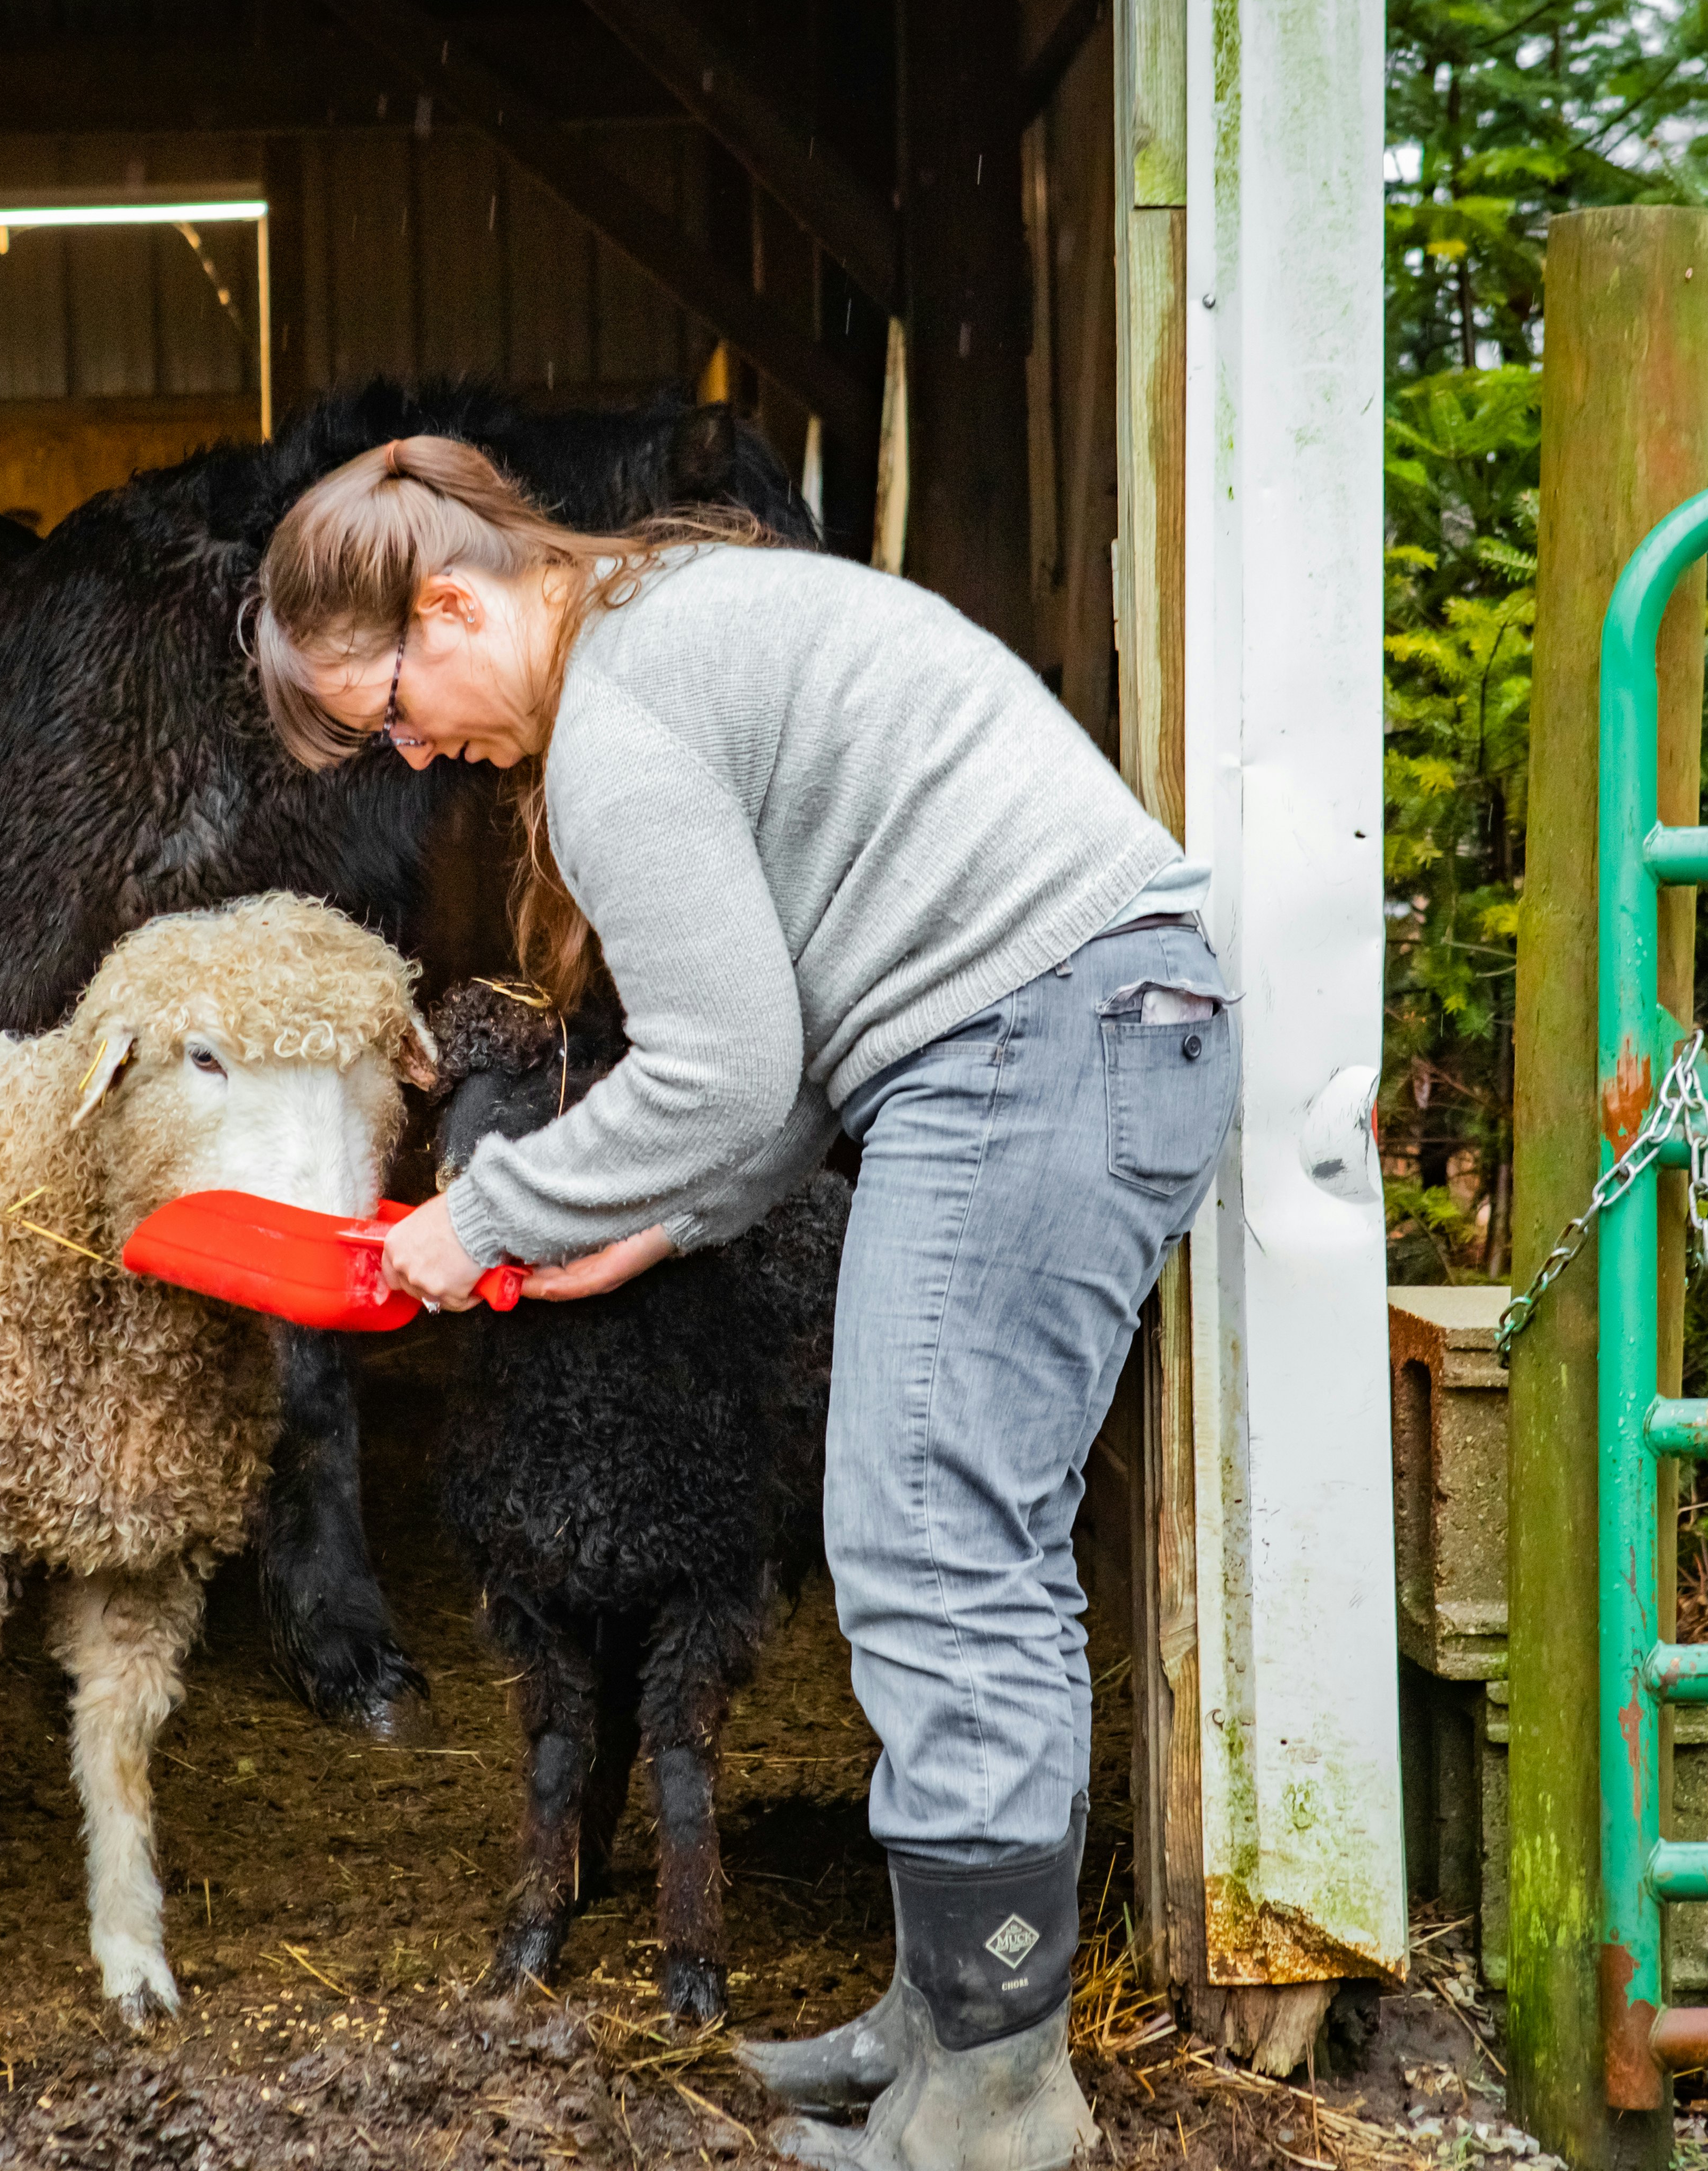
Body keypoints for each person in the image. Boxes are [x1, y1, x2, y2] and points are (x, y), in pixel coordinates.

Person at [250, 436, 1238, 2171]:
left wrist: (465, 1219)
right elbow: (787, 1038)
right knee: (930, 1539)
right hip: (1054, 1030)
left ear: (452, 603)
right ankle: (945, 2027)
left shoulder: (619, 734)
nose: (420, 754)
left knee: (940, 1548)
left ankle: (996, 2097)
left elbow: (716, 1065)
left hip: (1035, 1040)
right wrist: (665, 1222)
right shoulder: (665, 624)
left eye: (393, 709)